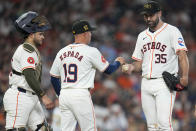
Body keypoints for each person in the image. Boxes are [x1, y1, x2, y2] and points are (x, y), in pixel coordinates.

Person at [122, 1, 189, 131]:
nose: (148, 19)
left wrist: (185, 76)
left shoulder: (172, 31)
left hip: (164, 82)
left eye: (151, 15)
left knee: (164, 123)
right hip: (146, 82)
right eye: (146, 16)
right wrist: (131, 67)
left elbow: (182, 55)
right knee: (151, 126)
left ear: (159, 13)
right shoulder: (142, 36)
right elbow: (139, 63)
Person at [50, 20, 125, 131]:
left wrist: (60, 95)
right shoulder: (91, 51)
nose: (91, 34)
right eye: (90, 32)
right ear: (85, 34)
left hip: (65, 94)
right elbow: (109, 70)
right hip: (80, 94)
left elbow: (53, 78)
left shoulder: (62, 51)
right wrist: (118, 62)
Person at [3, 11, 54, 131]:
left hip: (31, 97)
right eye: (40, 34)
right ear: (31, 34)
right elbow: (29, 75)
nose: (43, 37)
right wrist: (43, 96)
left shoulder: (31, 49)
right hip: (20, 96)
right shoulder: (26, 50)